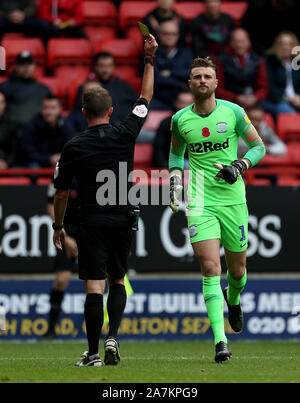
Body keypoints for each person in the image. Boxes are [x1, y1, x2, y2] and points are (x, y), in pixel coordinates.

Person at [52, 34, 158, 367]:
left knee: (94, 287)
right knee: (117, 279)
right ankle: (114, 335)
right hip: (124, 216)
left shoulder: (73, 146)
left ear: (84, 112)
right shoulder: (126, 130)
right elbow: (145, 96)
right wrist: (149, 58)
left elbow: (62, 192)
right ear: (111, 111)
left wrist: (58, 225)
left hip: (91, 220)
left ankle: (94, 352)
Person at [169, 57, 265, 362]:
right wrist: (174, 183)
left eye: (206, 76)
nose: (201, 80)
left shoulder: (234, 112)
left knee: (237, 271)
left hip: (233, 200)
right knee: (211, 268)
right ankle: (220, 341)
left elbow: (258, 147)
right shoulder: (179, 120)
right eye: (196, 76)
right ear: (190, 83)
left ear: (215, 82)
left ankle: (233, 300)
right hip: (199, 201)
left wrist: (238, 165)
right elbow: (175, 155)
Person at [43, 180, 79, 339]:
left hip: (88, 228)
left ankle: (98, 330)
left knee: (94, 281)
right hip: (67, 228)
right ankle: (51, 329)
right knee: (61, 279)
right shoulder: (62, 175)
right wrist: (62, 230)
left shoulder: (92, 171)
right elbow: (50, 204)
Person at [73, 52, 137, 124]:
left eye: (109, 66)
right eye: (101, 66)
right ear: (95, 67)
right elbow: (77, 113)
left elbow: (138, 107)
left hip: (129, 128)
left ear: (113, 67)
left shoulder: (125, 87)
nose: (105, 70)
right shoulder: (87, 88)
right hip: (102, 130)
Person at [216, 28, 268, 110]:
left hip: (254, 102)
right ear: (231, 43)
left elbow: (263, 88)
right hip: (229, 103)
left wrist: (255, 98)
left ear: (249, 42)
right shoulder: (221, 61)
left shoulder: (258, 60)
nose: (239, 45)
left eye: (242, 41)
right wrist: (236, 98)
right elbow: (218, 89)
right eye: (236, 41)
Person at [20, 94, 74, 167]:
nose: (49, 112)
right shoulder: (30, 126)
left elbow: (72, 150)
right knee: (33, 167)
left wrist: (61, 157)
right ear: (41, 109)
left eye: (53, 108)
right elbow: (27, 153)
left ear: (60, 109)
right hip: (37, 163)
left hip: (61, 163)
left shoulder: (67, 126)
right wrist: (49, 159)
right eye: (45, 108)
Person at [0, 51, 51, 127]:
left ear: (34, 66)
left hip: (37, 131)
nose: (26, 67)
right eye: (22, 64)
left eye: (29, 64)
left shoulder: (44, 89)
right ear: (16, 66)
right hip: (10, 131)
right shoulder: (4, 87)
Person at [150, 20, 193, 110]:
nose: (170, 37)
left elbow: (191, 74)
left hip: (184, 100)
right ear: (159, 34)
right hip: (159, 100)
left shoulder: (186, 53)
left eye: (173, 34)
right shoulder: (150, 53)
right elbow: (154, 79)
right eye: (166, 34)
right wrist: (180, 83)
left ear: (178, 35)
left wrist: (170, 73)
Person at [261, 31, 300, 119]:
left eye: (289, 44)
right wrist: (288, 99)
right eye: (282, 44)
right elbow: (270, 88)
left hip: (297, 100)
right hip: (277, 101)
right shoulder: (270, 61)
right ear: (277, 46)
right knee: (289, 113)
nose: (285, 47)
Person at [153, 88, 194, 168]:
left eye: (188, 103)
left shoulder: (202, 123)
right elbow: (158, 150)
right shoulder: (166, 123)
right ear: (175, 103)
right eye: (181, 103)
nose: (184, 107)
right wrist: (166, 170)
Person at [0, 91, 18, 169]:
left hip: (6, 165)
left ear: (5, 105)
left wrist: (6, 163)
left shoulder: (11, 125)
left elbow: (15, 150)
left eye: (1, 102)